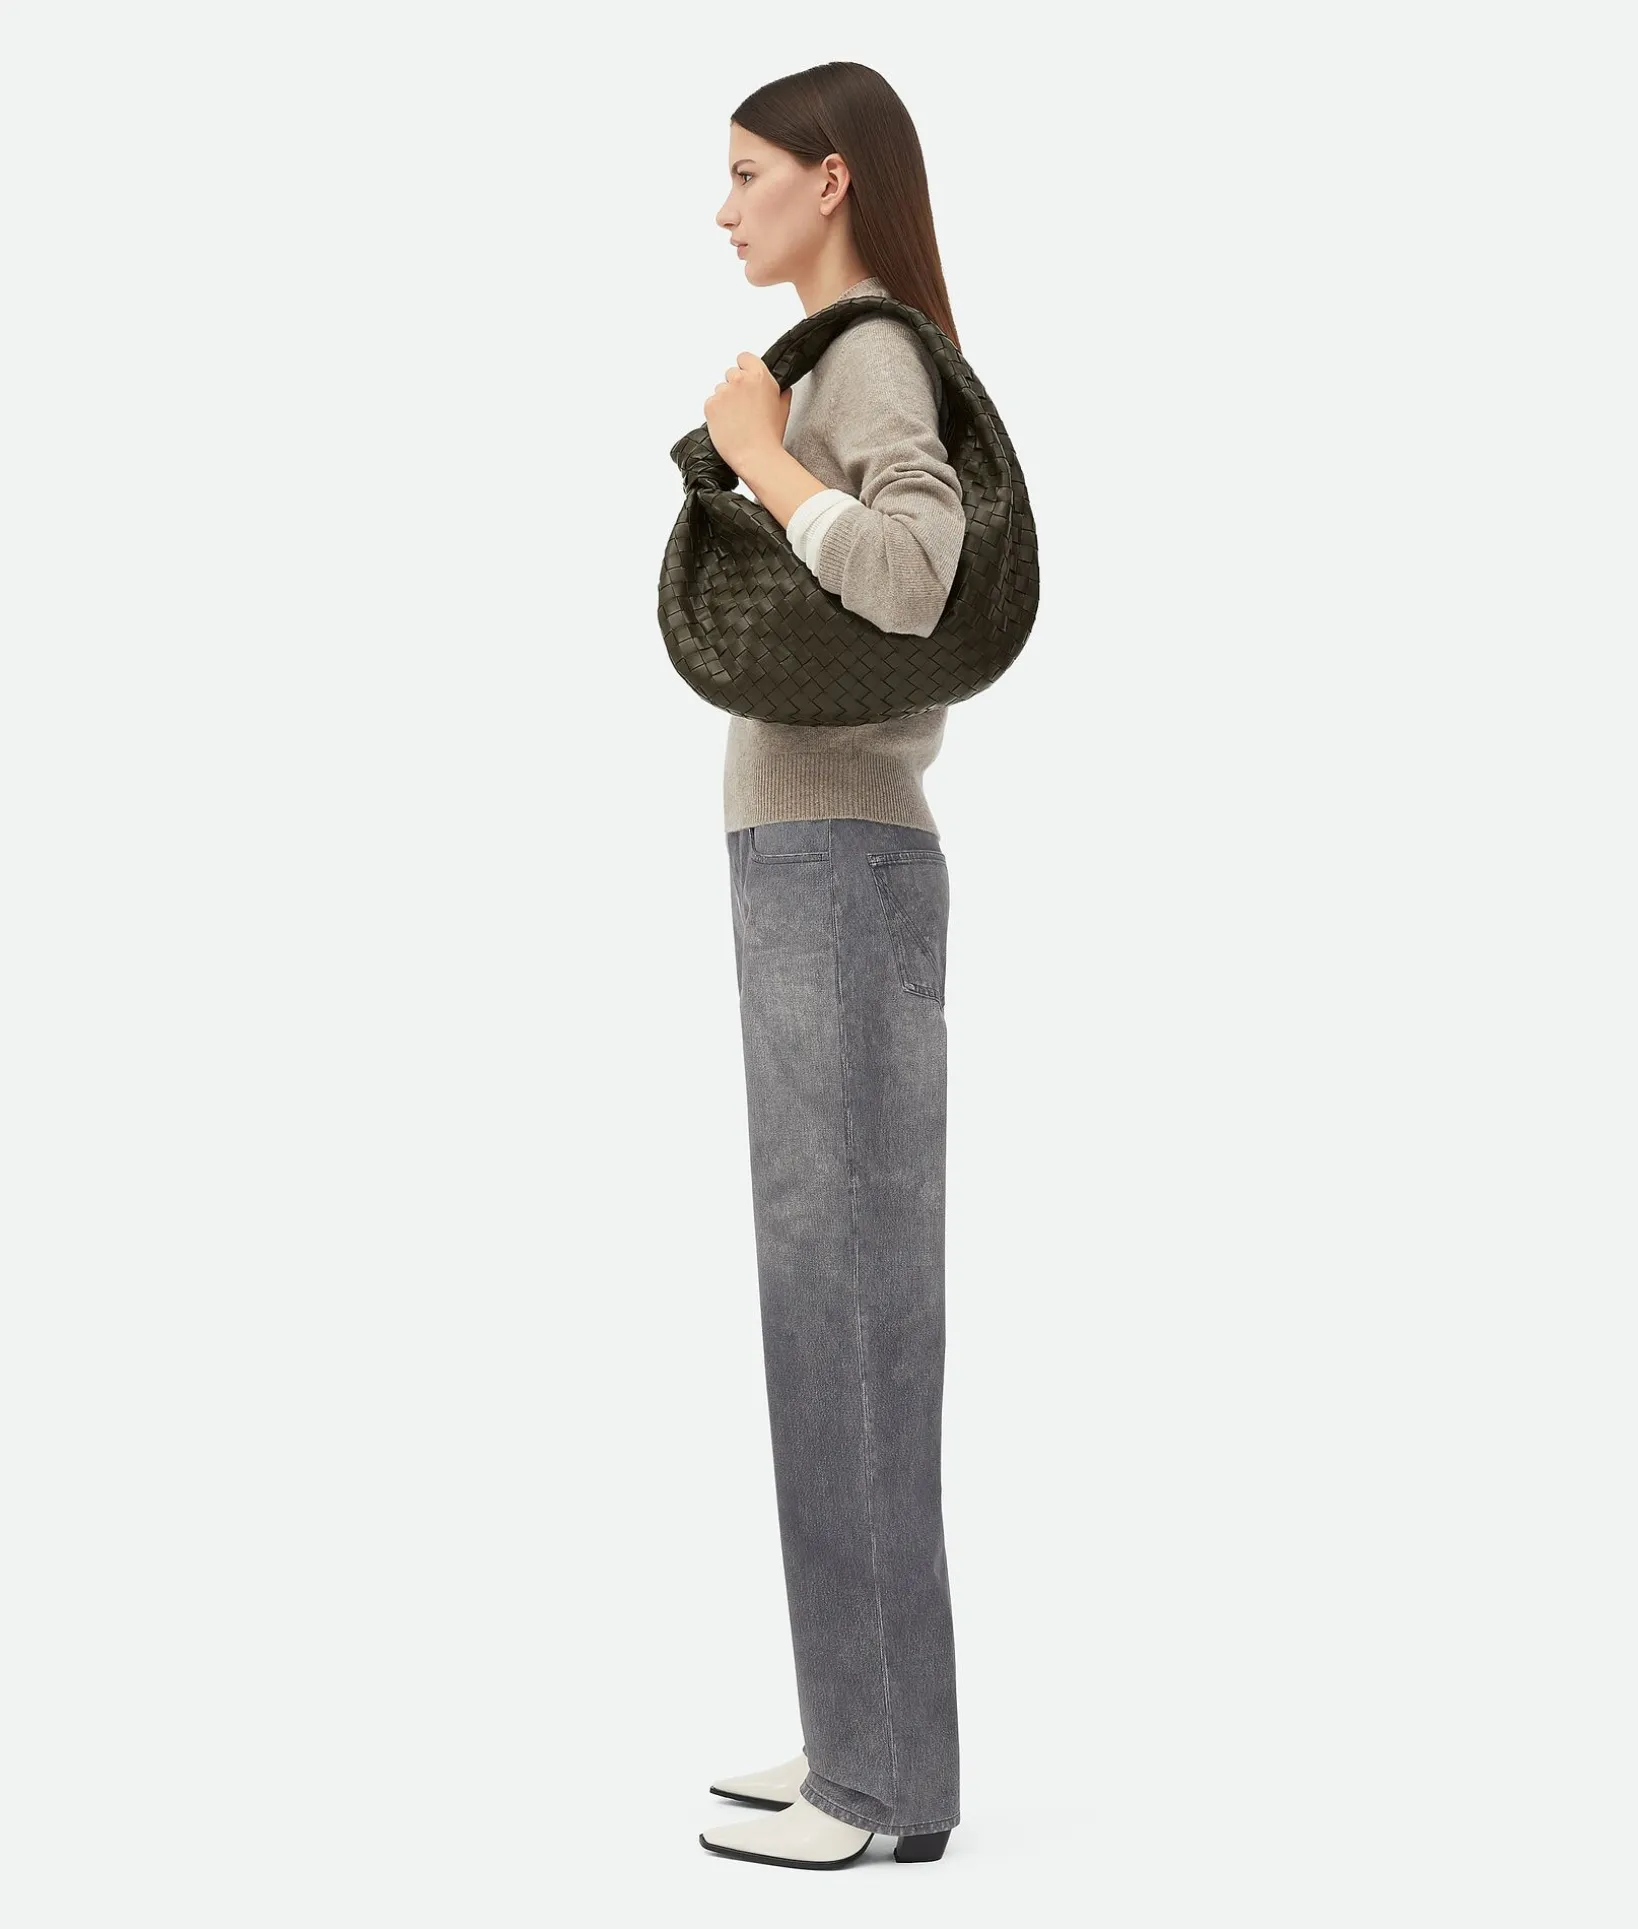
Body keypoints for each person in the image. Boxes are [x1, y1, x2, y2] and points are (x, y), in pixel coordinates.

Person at [696, 62, 969, 1872]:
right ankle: (866, 1734)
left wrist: (762, 459)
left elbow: (914, 571)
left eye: (744, 174)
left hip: (841, 870)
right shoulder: (842, 355)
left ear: (830, 179)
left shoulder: (863, 355)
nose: (722, 209)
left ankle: (876, 1784)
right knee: (829, 1305)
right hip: (818, 868)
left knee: (846, 1307)